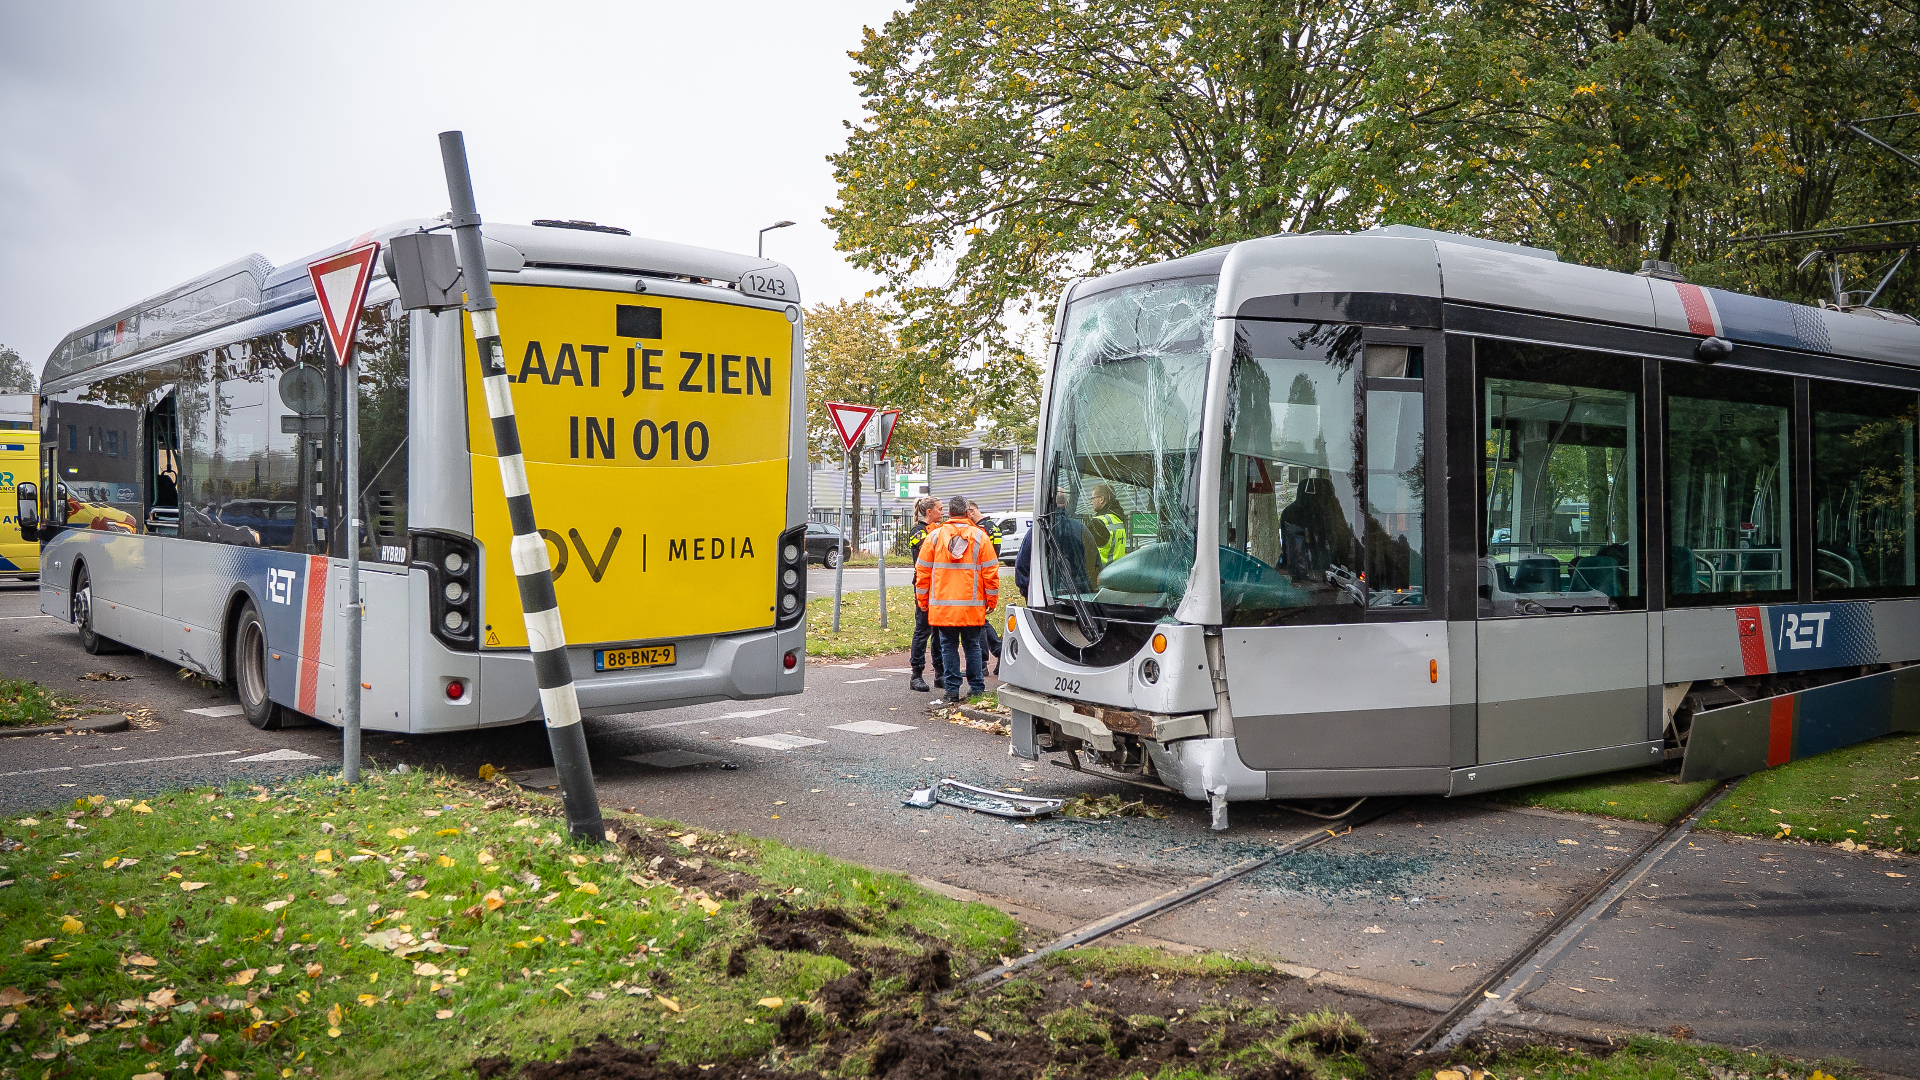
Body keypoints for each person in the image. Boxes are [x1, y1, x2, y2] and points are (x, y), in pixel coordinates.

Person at [915, 495, 998, 705]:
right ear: (967, 513)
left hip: (943, 608)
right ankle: (977, 689)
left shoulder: (934, 537)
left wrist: (923, 601)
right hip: (972, 607)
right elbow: (991, 573)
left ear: (949, 513)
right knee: (972, 646)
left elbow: (922, 573)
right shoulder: (980, 537)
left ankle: (951, 691)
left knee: (948, 647)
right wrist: (991, 601)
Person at [904, 496, 945, 692]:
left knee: (939, 630)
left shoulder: (939, 530)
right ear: (929, 512)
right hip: (924, 586)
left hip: (940, 586)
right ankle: (916, 674)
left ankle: (940, 673)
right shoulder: (917, 531)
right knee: (923, 629)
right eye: (940, 509)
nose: (942, 512)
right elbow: (930, 550)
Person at [966, 501, 1004, 673]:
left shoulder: (980, 530)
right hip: (988, 575)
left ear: (972, 511)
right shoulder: (994, 527)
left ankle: (982, 663)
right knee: (981, 621)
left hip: (979, 577)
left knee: (978, 621)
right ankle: (998, 652)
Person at [1089, 482, 1128, 565]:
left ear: (1101, 499)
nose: (1091, 503)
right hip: (1117, 572)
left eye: (1093, 498)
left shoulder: (1097, 522)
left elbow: (1083, 550)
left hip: (1101, 573)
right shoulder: (1119, 518)